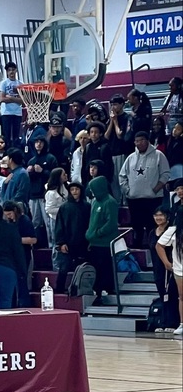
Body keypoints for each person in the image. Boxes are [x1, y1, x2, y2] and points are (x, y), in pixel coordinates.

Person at [119, 130, 171, 249]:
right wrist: (127, 191)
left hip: (152, 198)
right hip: (134, 198)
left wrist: (156, 188)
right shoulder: (130, 158)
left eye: (142, 140)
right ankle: (138, 245)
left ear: (147, 141)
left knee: (151, 225)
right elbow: (122, 176)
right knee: (137, 225)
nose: (140, 143)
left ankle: (153, 246)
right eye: (137, 141)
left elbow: (166, 174)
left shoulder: (159, 155)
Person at [86, 175, 120, 305]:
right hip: (94, 242)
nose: (92, 192)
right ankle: (98, 290)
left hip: (105, 243)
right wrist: (90, 234)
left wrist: (97, 233)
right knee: (96, 268)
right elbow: (92, 221)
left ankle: (107, 289)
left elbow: (111, 223)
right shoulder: (94, 202)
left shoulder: (110, 202)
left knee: (105, 267)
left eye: (94, 189)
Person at [53, 182, 90, 294]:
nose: (74, 192)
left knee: (82, 269)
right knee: (63, 268)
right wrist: (61, 242)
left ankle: (80, 291)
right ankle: (59, 291)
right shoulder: (64, 207)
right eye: (72, 189)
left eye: (77, 189)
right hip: (68, 243)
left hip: (83, 243)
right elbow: (59, 226)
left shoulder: (87, 206)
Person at [2, 202, 37, 306]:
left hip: (23, 254)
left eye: (10, 214)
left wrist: (15, 240)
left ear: (15, 211)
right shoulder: (8, 223)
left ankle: (24, 303)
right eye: (6, 215)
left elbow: (33, 239)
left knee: (21, 281)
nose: (8, 217)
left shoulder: (24, 221)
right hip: (11, 256)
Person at [156, 200, 183, 334]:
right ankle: (182, 324)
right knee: (181, 296)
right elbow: (159, 245)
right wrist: (167, 262)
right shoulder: (173, 231)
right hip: (179, 269)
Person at [25, 128, 57, 237]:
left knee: (48, 223)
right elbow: (28, 180)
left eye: (40, 142)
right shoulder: (31, 161)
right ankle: (37, 245)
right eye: (36, 142)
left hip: (45, 195)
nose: (38, 144)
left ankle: (51, 245)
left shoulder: (50, 158)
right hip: (33, 196)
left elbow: (55, 176)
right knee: (35, 223)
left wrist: (43, 171)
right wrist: (28, 173)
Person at [105, 94, 134, 199]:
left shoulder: (127, 118)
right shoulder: (111, 119)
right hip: (111, 153)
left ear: (122, 104)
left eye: (116, 104)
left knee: (122, 179)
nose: (113, 107)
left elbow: (120, 135)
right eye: (112, 104)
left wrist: (116, 121)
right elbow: (106, 136)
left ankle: (125, 201)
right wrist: (112, 122)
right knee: (113, 180)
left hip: (122, 152)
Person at [149, 203, 176, 300]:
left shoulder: (171, 231)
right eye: (156, 215)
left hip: (169, 267)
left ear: (167, 216)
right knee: (162, 295)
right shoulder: (152, 232)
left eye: (161, 215)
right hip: (157, 268)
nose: (158, 218)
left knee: (171, 295)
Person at [44, 167, 69, 257]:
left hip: (66, 220)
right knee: (57, 243)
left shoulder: (67, 186)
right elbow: (49, 209)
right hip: (55, 220)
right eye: (63, 174)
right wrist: (64, 209)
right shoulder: (51, 193)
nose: (66, 175)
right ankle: (56, 265)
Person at [0, 60, 24, 145]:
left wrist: (10, 97)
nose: (11, 72)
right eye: (9, 70)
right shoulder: (4, 83)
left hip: (17, 112)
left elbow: (22, 101)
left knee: (16, 136)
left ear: (16, 70)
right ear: (7, 72)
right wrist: (15, 99)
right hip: (6, 112)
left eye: (13, 69)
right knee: (7, 136)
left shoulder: (20, 84)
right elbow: (2, 98)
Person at [81, 122, 112, 187]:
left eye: (96, 132)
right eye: (91, 132)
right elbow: (84, 164)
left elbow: (109, 165)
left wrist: (108, 179)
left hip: (101, 178)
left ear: (100, 134)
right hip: (89, 178)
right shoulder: (88, 147)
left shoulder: (105, 147)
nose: (93, 134)